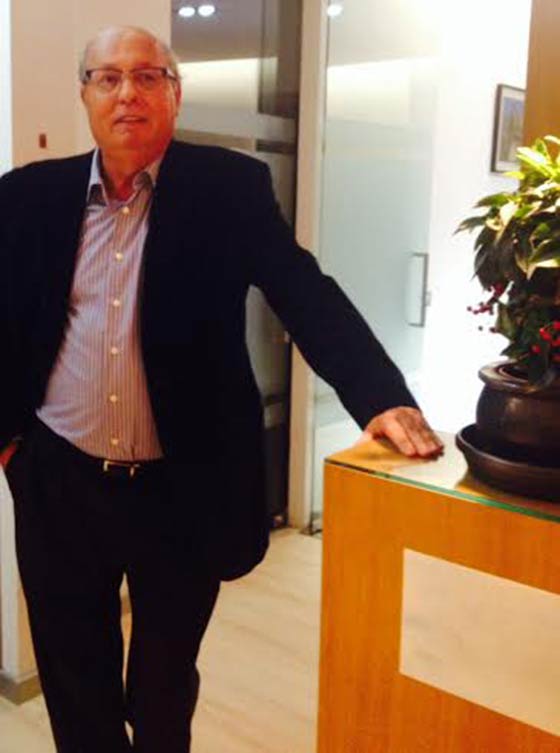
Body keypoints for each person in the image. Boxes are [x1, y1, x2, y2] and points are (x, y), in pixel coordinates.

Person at [0, 25, 443, 753]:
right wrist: (12, 445)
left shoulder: (229, 188)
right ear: (84, 94)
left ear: (175, 93)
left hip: (180, 487)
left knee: (163, 689)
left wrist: (379, 396)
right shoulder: (28, 196)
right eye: (108, 78)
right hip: (60, 483)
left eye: (148, 76)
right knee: (76, 687)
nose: (128, 93)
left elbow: (302, 290)